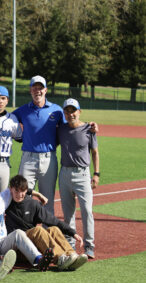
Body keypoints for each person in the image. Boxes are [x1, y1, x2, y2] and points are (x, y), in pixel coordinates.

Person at [12, 76, 97, 215]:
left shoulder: (56, 110)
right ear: (30, 90)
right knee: (23, 196)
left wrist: (89, 125)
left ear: (45, 90)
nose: (37, 91)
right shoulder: (22, 110)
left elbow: (71, 125)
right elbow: (3, 118)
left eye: (40, 88)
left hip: (48, 159)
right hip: (28, 159)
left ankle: (48, 233)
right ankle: (26, 232)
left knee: (48, 200)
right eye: (34, 88)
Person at [5, 175, 88, 271]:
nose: (19, 194)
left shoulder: (33, 204)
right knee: (38, 230)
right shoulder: (5, 202)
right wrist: (38, 194)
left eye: (22, 191)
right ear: (10, 189)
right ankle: (59, 258)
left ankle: (72, 256)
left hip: (33, 247)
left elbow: (53, 220)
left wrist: (73, 233)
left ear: (26, 190)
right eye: (16, 191)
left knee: (54, 229)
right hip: (18, 249)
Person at [0, 183, 54, 271]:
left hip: (3, 244)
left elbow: (17, 188)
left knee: (18, 233)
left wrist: (38, 194)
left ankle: (39, 260)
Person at [58, 98, 99, 259]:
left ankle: (89, 246)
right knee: (68, 213)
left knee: (87, 211)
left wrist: (97, 174)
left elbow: (95, 152)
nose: (70, 114)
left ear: (79, 112)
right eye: (67, 111)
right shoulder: (60, 129)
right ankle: (70, 244)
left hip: (83, 174)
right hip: (65, 174)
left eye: (73, 110)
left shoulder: (89, 129)